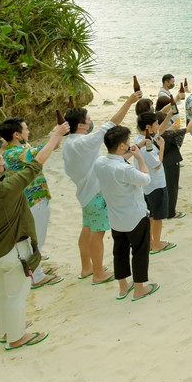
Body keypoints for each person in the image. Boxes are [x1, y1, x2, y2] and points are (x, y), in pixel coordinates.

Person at [0, 122, 68, 349]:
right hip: (13, 251)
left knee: (2, 295)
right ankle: (16, 337)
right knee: (16, 296)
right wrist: (57, 135)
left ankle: (7, 330)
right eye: (1, 163)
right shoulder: (5, 190)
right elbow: (35, 166)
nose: (4, 163)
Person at [62, 92, 141, 283]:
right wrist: (129, 101)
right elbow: (112, 123)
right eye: (88, 120)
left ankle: (87, 268)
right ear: (81, 125)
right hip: (95, 195)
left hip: (84, 193)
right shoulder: (85, 142)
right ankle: (98, 274)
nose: (91, 122)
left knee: (87, 229)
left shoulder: (69, 143)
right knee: (97, 234)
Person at [93, 126, 159, 301]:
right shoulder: (123, 169)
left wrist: (134, 149)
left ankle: (123, 287)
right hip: (135, 215)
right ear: (122, 146)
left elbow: (118, 162)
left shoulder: (100, 162)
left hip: (115, 216)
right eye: (128, 142)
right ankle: (139, 289)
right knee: (139, 251)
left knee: (119, 251)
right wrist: (139, 157)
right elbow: (145, 178)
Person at [0, 118, 61, 288]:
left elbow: (49, 148)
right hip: (32, 201)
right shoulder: (13, 153)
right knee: (36, 240)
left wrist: (59, 135)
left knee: (35, 239)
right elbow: (41, 157)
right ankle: (37, 276)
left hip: (35, 199)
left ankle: (35, 270)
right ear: (16, 134)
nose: (29, 132)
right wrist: (57, 134)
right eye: (26, 129)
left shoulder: (20, 148)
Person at [135, 112, 174, 254]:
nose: (158, 127)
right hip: (155, 184)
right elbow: (157, 164)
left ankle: (152, 242)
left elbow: (159, 130)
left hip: (147, 185)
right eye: (155, 124)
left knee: (151, 215)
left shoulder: (139, 139)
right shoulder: (146, 146)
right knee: (157, 216)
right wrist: (162, 147)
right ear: (147, 126)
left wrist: (169, 115)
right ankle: (156, 243)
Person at [156, 96, 192, 219]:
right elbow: (188, 129)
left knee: (165, 187)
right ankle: (171, 212)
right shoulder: (169, 134)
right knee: (172, 188)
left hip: (163, 163)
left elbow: (164, 129)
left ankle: (165, 209)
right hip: (172, 162)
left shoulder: (154, 135)